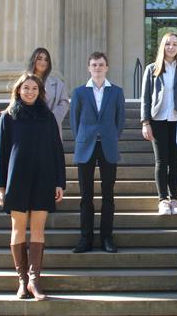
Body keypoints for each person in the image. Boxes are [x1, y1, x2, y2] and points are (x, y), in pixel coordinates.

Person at [0, 73, 66, 301]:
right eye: (26, 88)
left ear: (40, 92)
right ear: (18, 90)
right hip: (17, 180)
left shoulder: (47, 118)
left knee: (38, 229)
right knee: (18, 228)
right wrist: (1, 187)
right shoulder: (8, 117)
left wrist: (59, 183)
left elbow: (57, 151)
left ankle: (35, 282)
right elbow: (1, 154)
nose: (30, 92)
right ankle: (22, 282)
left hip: (43, 178)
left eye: (34, 88)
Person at [70, 51, 126, 254]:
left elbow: (120, 121)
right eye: (94, 65)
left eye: (101, 64)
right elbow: (74, 122)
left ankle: (106, 238)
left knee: (108, 195)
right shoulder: (79, 92)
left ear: (107, 67)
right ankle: (86, 238)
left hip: (108, 146)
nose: (97, 68)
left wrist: (110, 136)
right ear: (88, 68)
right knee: (86, 196)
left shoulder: (117, 92)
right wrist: (85, 138)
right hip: (85, 146)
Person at [140, 32, 177, 215]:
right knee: (161, 161)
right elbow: (146, 97)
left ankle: (174, 200)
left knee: (175, 161)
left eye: (175, 45)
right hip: (158, 120)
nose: (171, 47)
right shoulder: (152, 69)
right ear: (163, 46)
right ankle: (163, 200)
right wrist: (145, 122)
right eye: (168, 44)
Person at [27, 47, 69, 135]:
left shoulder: (58, 84)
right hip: (28, 127)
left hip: (49, 130)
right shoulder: (24, 82)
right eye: (39, 59)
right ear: (33, 60)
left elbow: (64, 103)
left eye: (46, 60)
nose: (43, 62)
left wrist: (48, 121)